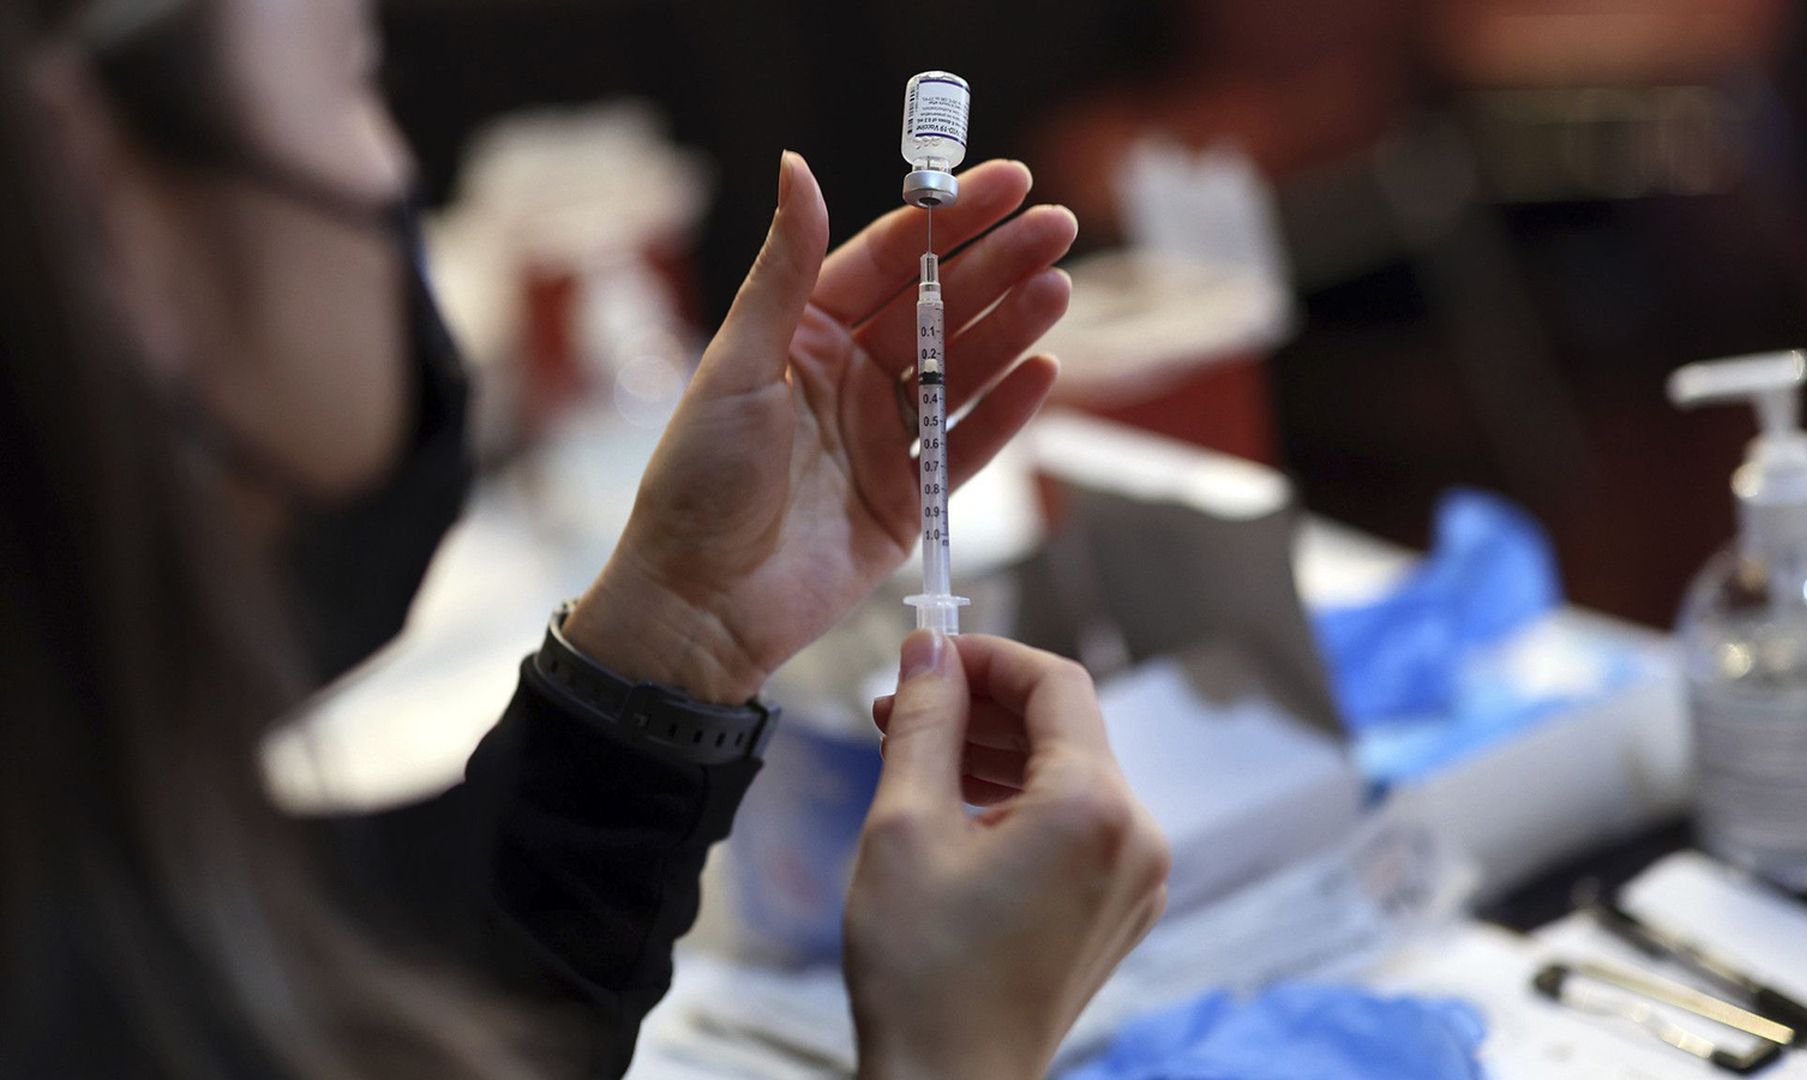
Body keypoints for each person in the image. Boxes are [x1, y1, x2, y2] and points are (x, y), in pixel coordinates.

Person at [0, 0, 1170, 1077]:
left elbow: (446, 1025)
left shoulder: (98, 834)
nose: (397, 173)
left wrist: (677, 635)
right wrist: (951, 1051)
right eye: (356, 85)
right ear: (101, 188)